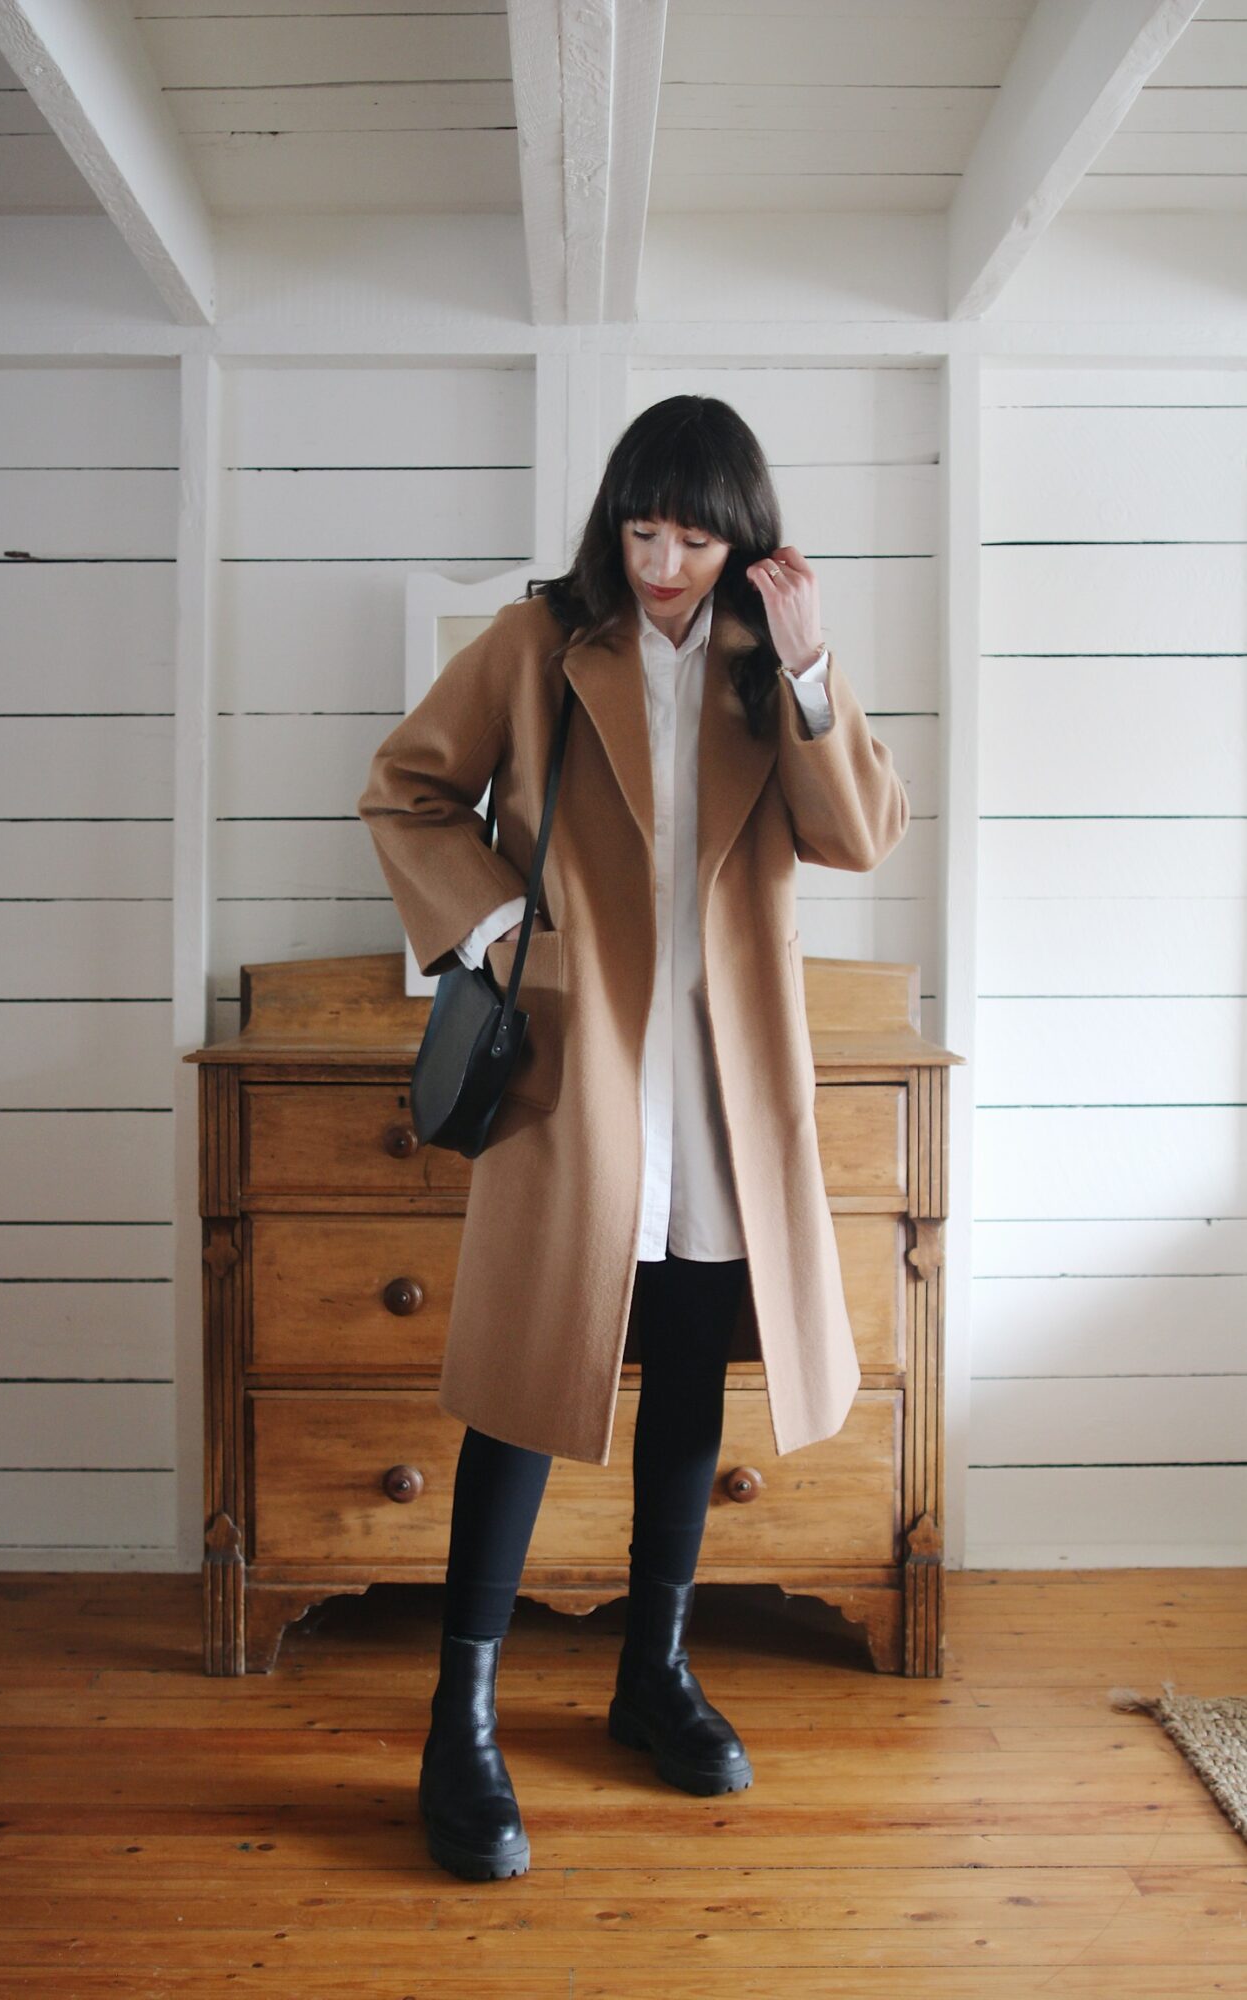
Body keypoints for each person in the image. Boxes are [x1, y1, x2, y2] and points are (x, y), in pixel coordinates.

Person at [358, 395, 909, 1882]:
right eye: (641, 529)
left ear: (742, 543)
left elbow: (861, 833)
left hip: (721, 1082)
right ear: (612, 521)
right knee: (522, 1387)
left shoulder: (762, 668)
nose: (662, 561)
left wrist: (806, 668)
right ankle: (458, 1722)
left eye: (692, 536)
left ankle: (647, 1675)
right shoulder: (539, 647)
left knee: (685, 1371)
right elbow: (407, 790)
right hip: (578, 1072)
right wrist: (492, 928)